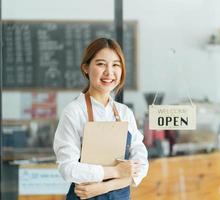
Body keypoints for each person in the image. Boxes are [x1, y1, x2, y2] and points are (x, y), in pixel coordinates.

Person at [53, 38, 149, 199]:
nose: (109, 72)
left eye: (116, 65)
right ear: (85, 68)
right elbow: (68, 169)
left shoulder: (124, 113)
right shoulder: (74, 112)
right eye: (101, 64)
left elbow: (141, 166)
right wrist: (117, 171)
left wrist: (105, 186)